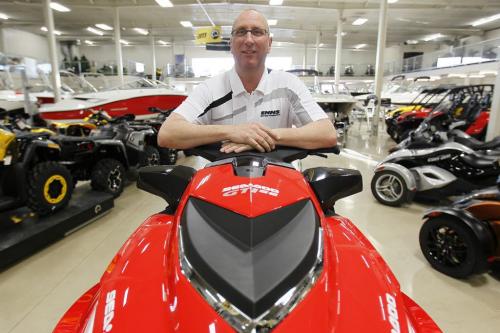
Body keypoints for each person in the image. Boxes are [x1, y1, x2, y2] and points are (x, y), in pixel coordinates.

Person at [158, 9, 336, 154]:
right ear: (231, 44)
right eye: (241, 32)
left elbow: (327, 133)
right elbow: (167, 134)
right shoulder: (210, 89)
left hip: (280, 185)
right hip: (222, 187)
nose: (249, 40)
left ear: (269, 43)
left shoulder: (289, 84)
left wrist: (263, 137)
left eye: (257, 32)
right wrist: (232, 131)